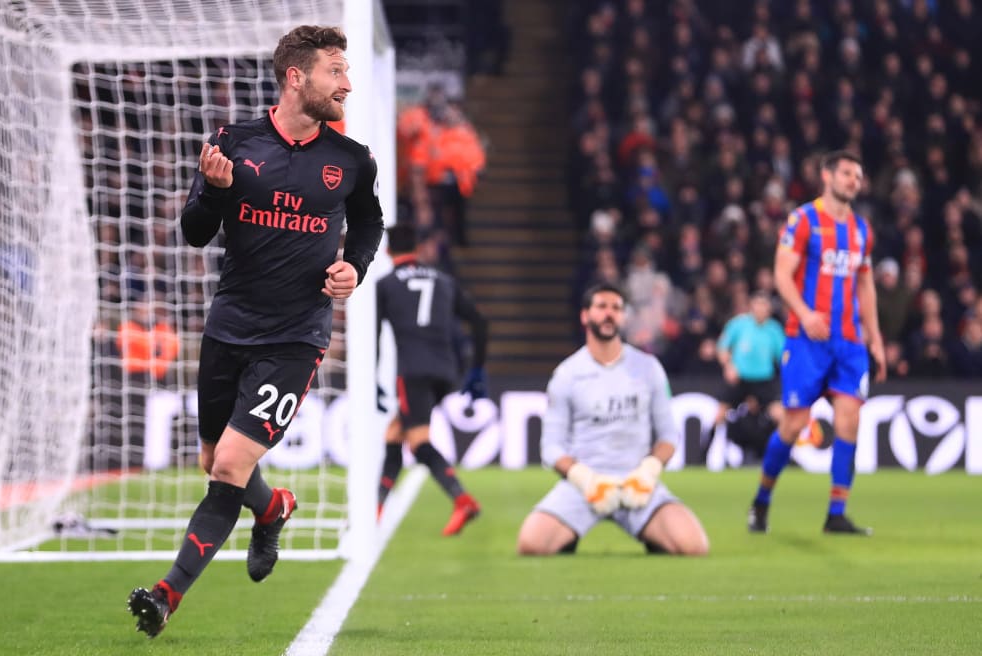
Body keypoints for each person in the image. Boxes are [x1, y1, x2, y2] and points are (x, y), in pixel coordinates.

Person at [127, 25, 384, 638]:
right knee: (213, 459)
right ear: (297, 77)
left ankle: (166, 595)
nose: (346, 83)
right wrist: (217, 193)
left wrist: (355, 266)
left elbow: (370, 224)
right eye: (335, 71)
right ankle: (272, 509)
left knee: (229, 466)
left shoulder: (352, 159)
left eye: (346, 71)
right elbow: (194, 232)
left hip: (296, 336)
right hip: (230, 325)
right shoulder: (233, 143)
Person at [748, 150, 886, 536]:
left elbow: (865, 285)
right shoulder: (803, 220)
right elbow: (782, 274)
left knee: (850, 419)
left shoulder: (861, 229)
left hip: (849, 342)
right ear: (827, 176)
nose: (853, 181)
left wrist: (875, 337)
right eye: (847, 174)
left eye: (858, 176)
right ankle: (761, 501)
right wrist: (805, 314)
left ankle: (836, 514)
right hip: (806, 340)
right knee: (793, 425)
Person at [516, 283, 709, 557]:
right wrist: (586, 480)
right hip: (584, 488)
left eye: (616, 308)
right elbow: (550, 447)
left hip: (636, 485)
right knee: (531, 545)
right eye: (602, 307)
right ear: (585, 316)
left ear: (624, 317)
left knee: (693, 547)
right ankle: (569, 533)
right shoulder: (567, 374)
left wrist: (648, 472)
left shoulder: (648, 367)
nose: (609, 313)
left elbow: (668, 436)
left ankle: (652, 534)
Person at [375, 224, 488, 535]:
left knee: (418, 442)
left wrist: (372, 379)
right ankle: (376, 507)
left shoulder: (385, 285)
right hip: (446, 371)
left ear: (388, 251)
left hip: (412, 372)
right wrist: (477, 369)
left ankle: (462, 499)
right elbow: (480, 321)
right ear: (417, 248)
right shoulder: (443, 279)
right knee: (395, 434)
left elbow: (374, 334)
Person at [711, 291, 785, 457]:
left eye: (764, 305)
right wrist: (729, 366)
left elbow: (782, 357)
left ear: (769, 309)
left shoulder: (774, 329)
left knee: (780, 415)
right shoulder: (738, 324)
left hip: (764, 380)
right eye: (757, 304)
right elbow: (722, 348)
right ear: (752, 306)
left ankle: (783, 455)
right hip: (740, 378)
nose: (760, 309)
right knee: (720, 414)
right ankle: (702, 455)